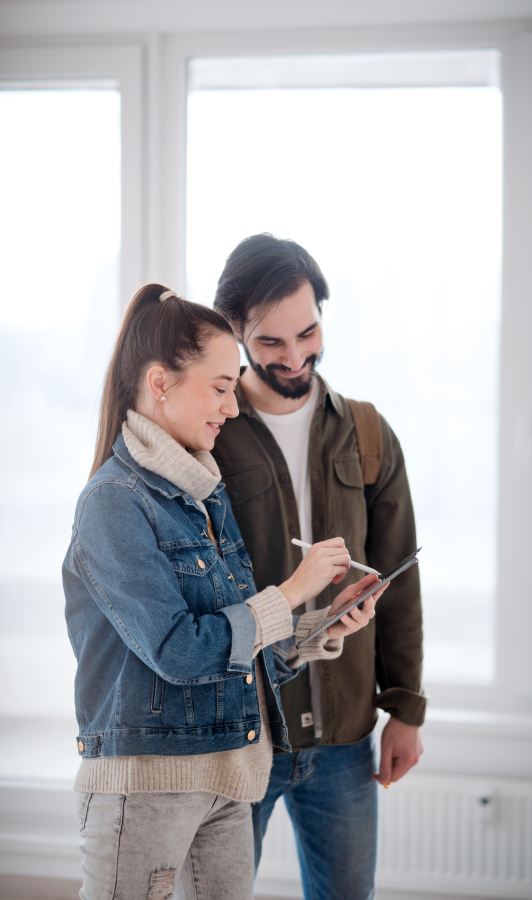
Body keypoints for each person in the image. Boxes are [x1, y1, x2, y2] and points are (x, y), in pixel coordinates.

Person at [62, 283, 387, 900]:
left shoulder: (203, 492)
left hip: (232, 777)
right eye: (219, 389)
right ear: (160, 383)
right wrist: (292, 592)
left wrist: (318, 631)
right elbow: (181, 651)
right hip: (150, 791)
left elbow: (234, 651)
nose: (232, 409)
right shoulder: (113, 504)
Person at [211, 234, 426, 900]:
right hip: (238, 736)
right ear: (237, 336)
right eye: (270, 343)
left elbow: (400, 580)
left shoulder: (366, 433)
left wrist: (407, 710)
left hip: (344, 737)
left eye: (307, 332)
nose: (296, 355)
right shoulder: (210, 430)